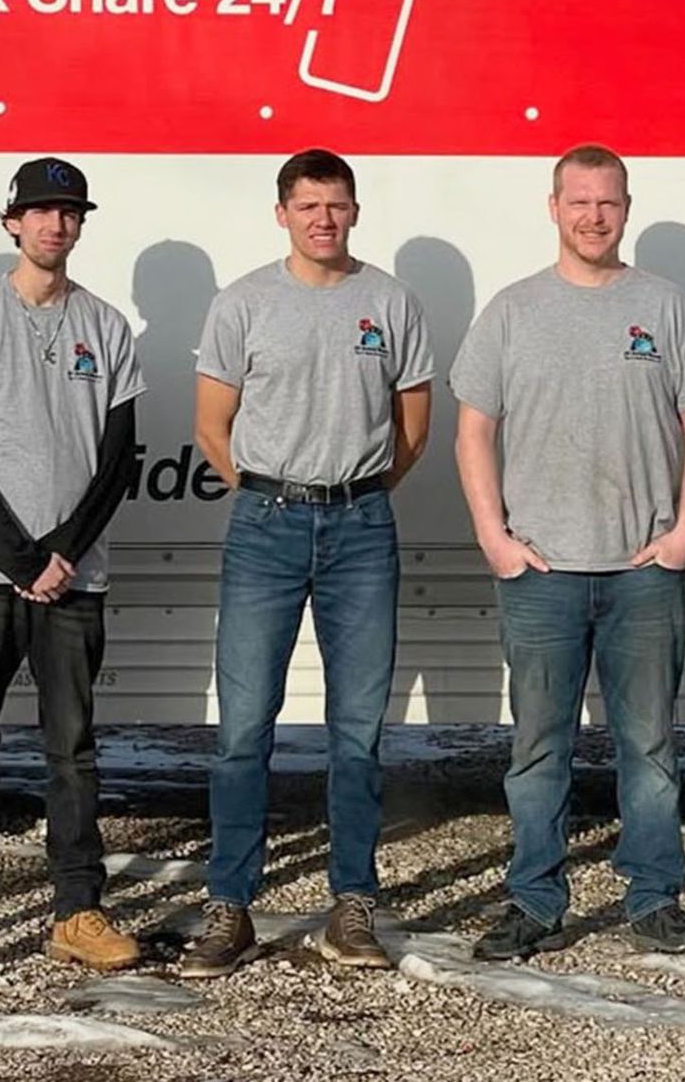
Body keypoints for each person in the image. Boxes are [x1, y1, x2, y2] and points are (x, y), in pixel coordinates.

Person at [451, 143, 685, 961]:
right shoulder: (512, 310)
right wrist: (493, 538)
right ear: (553, 207)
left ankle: (654, 897)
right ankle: (535, 901)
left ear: (625, 207)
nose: (593, 215)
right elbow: (474, 429)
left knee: (649, 747)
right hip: (540, 572)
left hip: (642, 572)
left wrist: (684, 534)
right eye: (578, 201)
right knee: (537, 750)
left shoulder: (664, 305)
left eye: (607, 201)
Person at [181, 149, 433, 978]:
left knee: (357, 732)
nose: (323, 217)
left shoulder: (389, 301)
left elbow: (412, 426)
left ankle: (353, 902)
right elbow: (214, 425)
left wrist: (357, 490)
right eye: (308, 204)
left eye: (337, 204)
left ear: (356, 211)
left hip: (362, 526)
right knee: (243, 729)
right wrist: (273, 491)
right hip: (267, 525)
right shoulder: (245, 301)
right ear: (281, 212)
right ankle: (231, 905)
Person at [0, 159, 146, 980]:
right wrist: (20, 558)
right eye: (42, 212)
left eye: (70, 213)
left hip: (75, 579)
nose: (56, 225)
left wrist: (63, 554)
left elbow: (119, 458)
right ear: (11, 221)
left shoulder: (107, 327)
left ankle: (78, 909)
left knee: (72, 748)